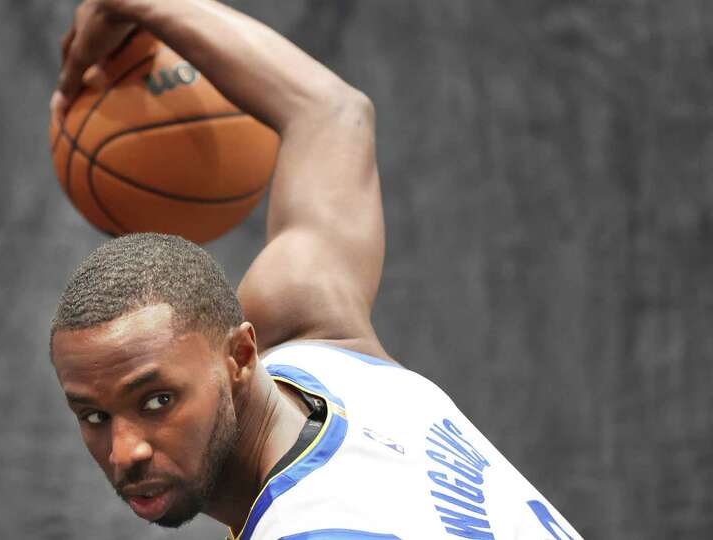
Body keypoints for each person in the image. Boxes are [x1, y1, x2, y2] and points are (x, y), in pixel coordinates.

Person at [48, 1, 582, 538]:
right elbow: (329, 112)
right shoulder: (318, 343)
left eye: (158, 400)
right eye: (93, 416)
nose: (125, 452)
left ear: (239, 357)